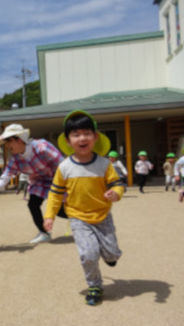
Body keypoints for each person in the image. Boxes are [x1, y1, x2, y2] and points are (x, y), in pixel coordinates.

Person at [43, 110, 124, 306]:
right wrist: (49, 216)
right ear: (68, 141)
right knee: (88, 254)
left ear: (95, 137)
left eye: (87, 133)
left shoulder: (105, 164)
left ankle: (110, 256)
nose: (82, 138)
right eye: (76, 134)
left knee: (112, 253)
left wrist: (116, 193)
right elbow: (55, 193)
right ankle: (94, 285)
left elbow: (118, 184)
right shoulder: (64, 168)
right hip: (78, 218)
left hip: (103, 215)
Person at [0, 124, 64, 244]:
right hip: (39, 181)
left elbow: (63, 166)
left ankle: (84, 219)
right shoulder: (15, 159)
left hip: (58, 178)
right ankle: (44, 233)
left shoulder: (42, 147)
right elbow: (4, 178)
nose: (7, 145)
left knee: (60, 210)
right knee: (32, 204)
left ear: (19, 139)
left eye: (8, 141)